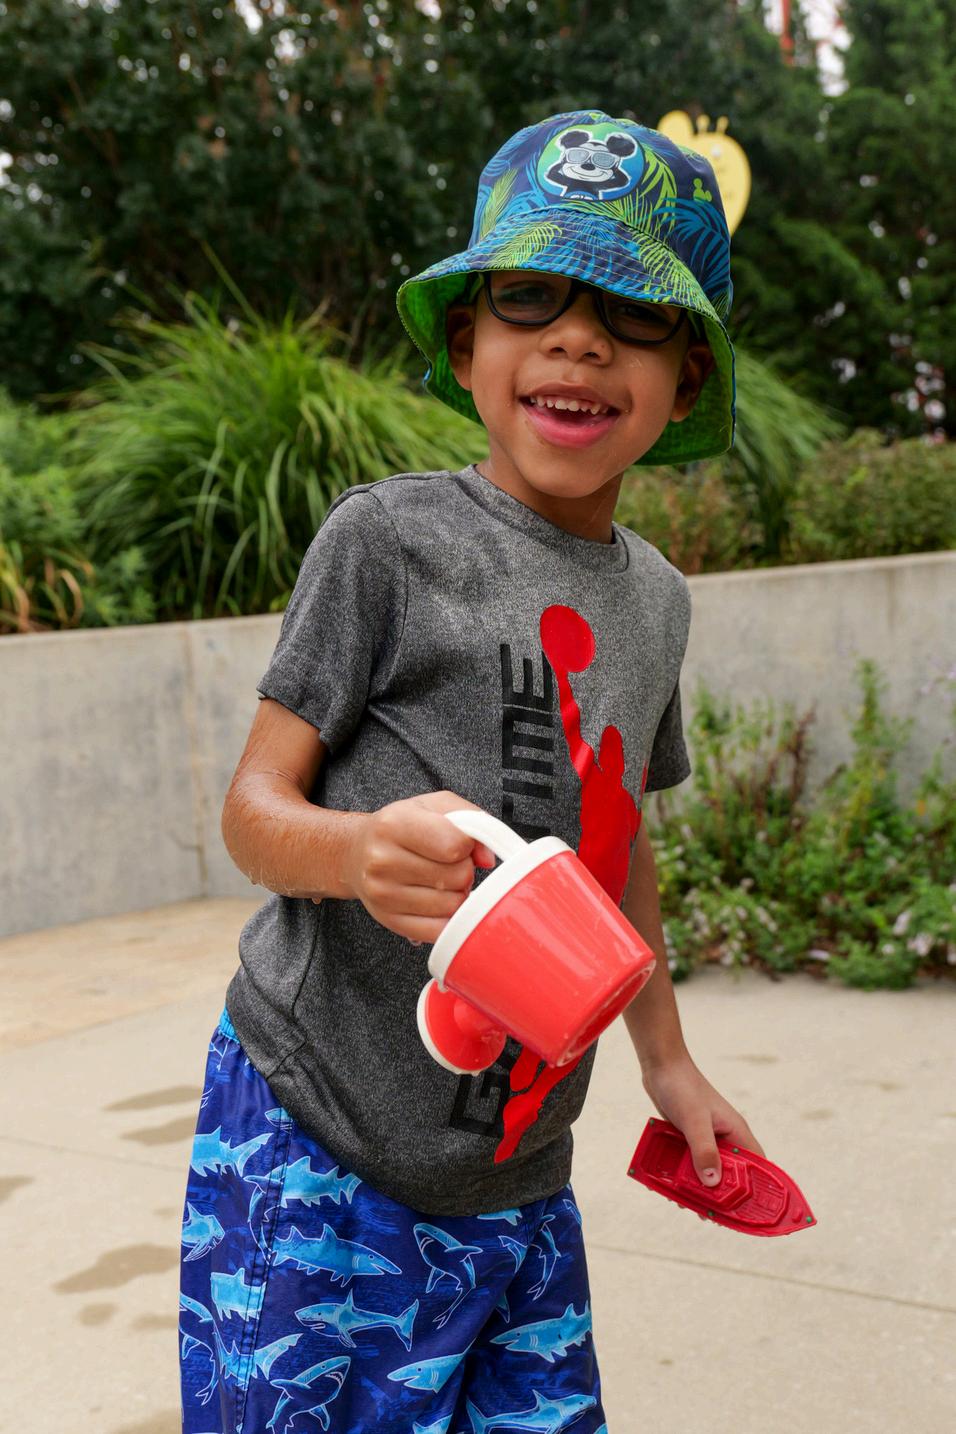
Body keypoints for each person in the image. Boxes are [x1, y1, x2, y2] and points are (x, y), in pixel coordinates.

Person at [179, 108, 765, 1434]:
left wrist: (668, 1061)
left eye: (632, 314)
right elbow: (252, 812)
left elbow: (619, 841)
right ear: (464, 346)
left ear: (684, 382)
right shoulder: (388, 542)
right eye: (530, 296)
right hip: (318, 1139)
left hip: (517, 1166)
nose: (578, 340)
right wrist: (352, 852)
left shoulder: (658, 603)